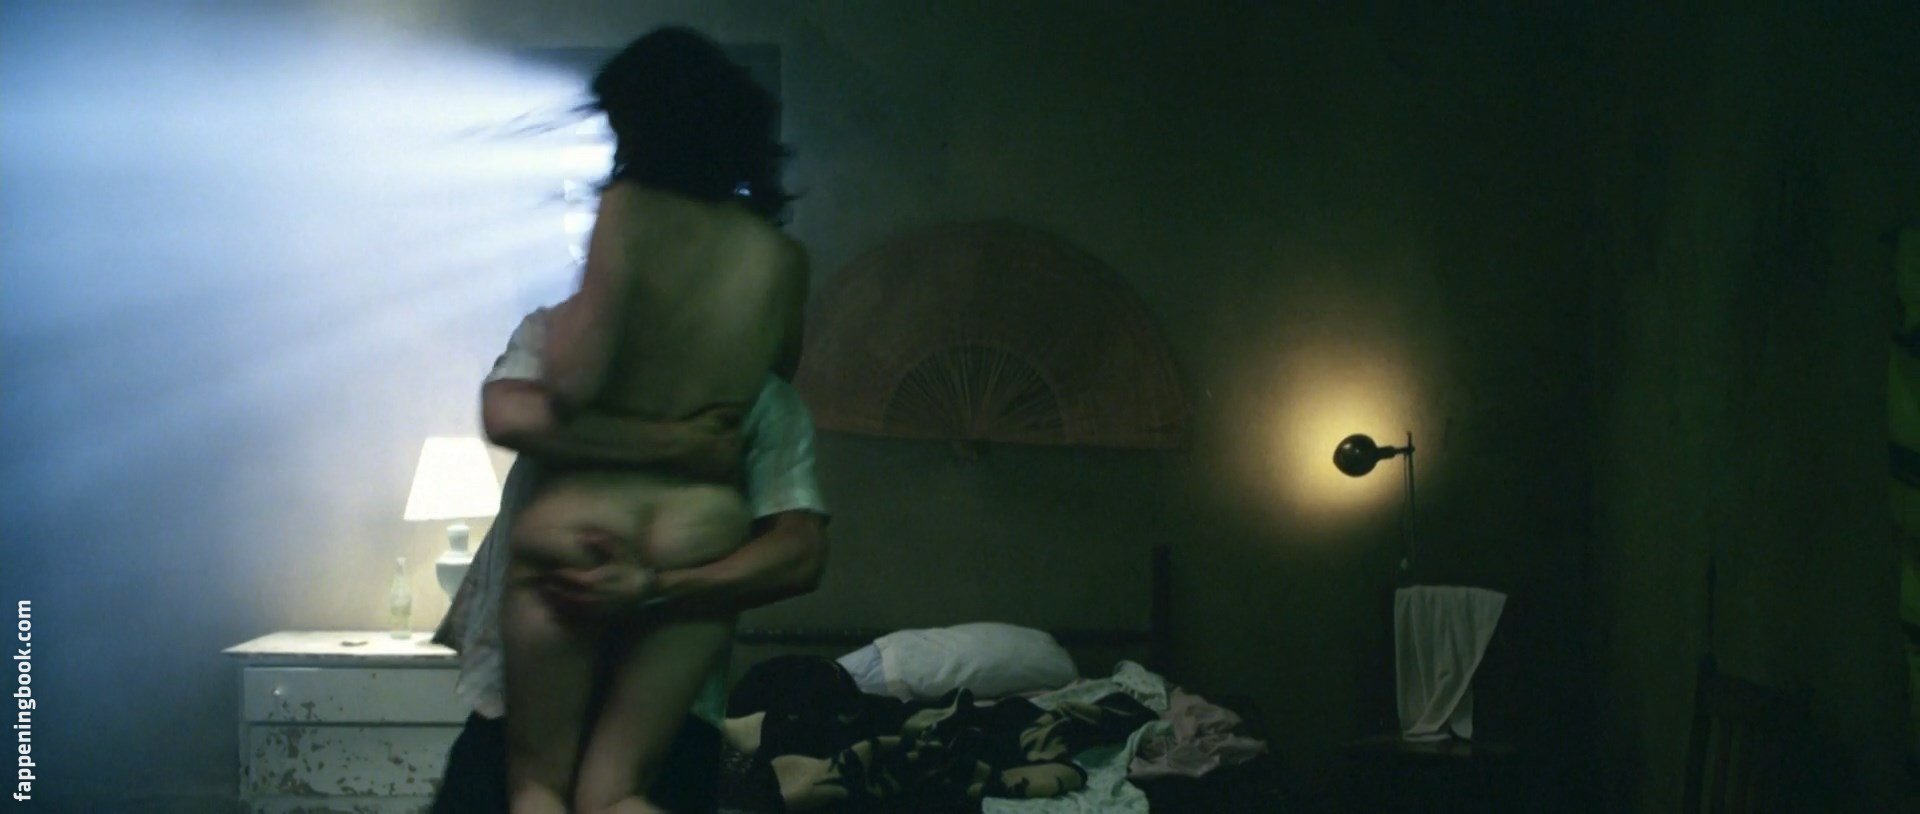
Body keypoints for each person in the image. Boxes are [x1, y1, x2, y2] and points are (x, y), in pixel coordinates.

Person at [499, 27, 810, 814]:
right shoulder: (782, 258)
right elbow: (777, 378)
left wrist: (575, 317)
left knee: (540, 784)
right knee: (617, 793)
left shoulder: (627, 210)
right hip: (702, 530)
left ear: (640, 124)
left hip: (587, 521)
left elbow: (573, 379)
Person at [431, 303, 828, 814]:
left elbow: (801, 553)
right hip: (518, 702)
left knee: (584, 793)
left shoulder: (759, 398)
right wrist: (676, 444)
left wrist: (655, 587)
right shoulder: (557, 341)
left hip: (667, 718)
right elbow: (506, 414)